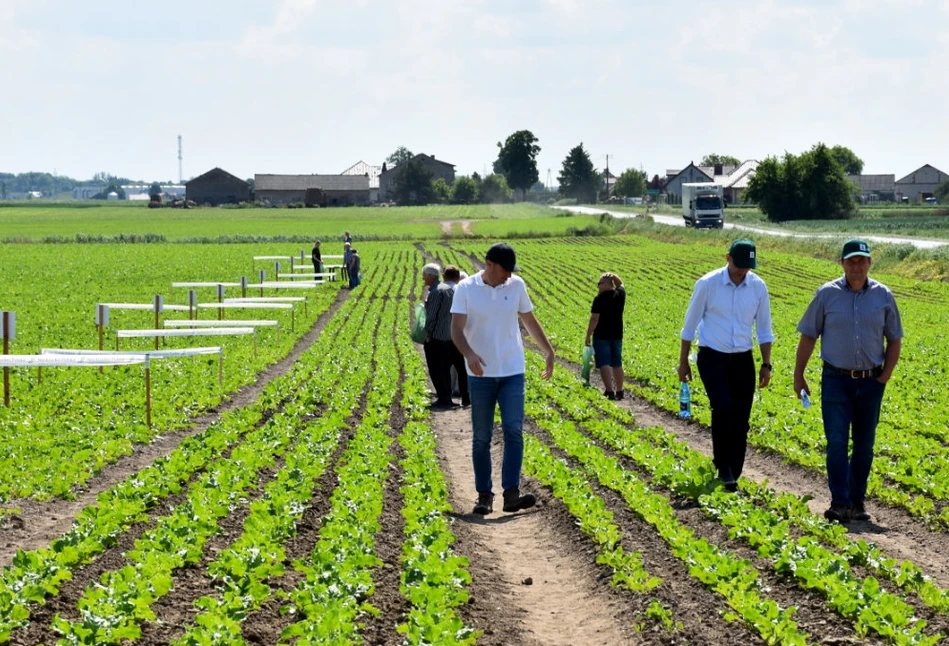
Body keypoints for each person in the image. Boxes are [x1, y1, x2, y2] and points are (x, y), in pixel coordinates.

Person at [793, 239, 902, 523]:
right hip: (835, 380)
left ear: (870, 263)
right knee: (837, 441)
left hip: (871, 382)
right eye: (851, 260)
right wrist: (799, 373)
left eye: (861, 260)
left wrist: (885, 376)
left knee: (864, 445)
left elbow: (894, 339)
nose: (856, 266)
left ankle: (857, 500)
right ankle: (840, 502)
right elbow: (808, 335)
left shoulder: (884, 295)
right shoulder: (826, 294)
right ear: (842, 263)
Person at [451, 243, 555, 515]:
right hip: (481, 375)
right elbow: (456, 330)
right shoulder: (466, 289)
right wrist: (469, 354)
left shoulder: (516, 285)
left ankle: (511, 493)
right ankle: (484, 495)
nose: (509, 275)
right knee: (482, 438)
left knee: (514, 431)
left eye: (511, 271)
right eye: (505, 270)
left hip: (512, 371)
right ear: (490, 264)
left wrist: (548, 351)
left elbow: (529, 320)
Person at [678, 239, 773, 492]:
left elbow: (764, 329)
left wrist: (766, 364)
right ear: (727, 258)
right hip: (712, 356)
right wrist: (683, 362)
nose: (742, 271)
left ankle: (735, 468)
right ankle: (724, 468)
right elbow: (689, 326)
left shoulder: (758, 287)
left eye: (748, 267)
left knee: (741, 417)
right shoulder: (708, 284)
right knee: (723, 409)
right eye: (739, 265)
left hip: (743, 358)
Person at [423, 264, 469, 409]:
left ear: (431, 276)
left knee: (438, 369)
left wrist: (428, 334)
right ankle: (460, 398)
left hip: (439, 337)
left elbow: (431, 317)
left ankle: (444, 400)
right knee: (456, 369)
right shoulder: (452, 290)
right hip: (453, 336)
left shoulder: (437, 291)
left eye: (424, 275)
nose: (423, 278)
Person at [585, 272, 626, 400]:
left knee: (604, 363)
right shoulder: (619, 295)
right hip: (617, 335)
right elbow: (621, 284)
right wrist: (613, 276)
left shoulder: (599, 299)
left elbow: (594, 319)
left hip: (601, 336)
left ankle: (609, 391)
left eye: (599, 284)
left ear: (605, 284)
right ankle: (619, 390)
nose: (598, 287)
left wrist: (588, 336)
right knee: (617, 363)